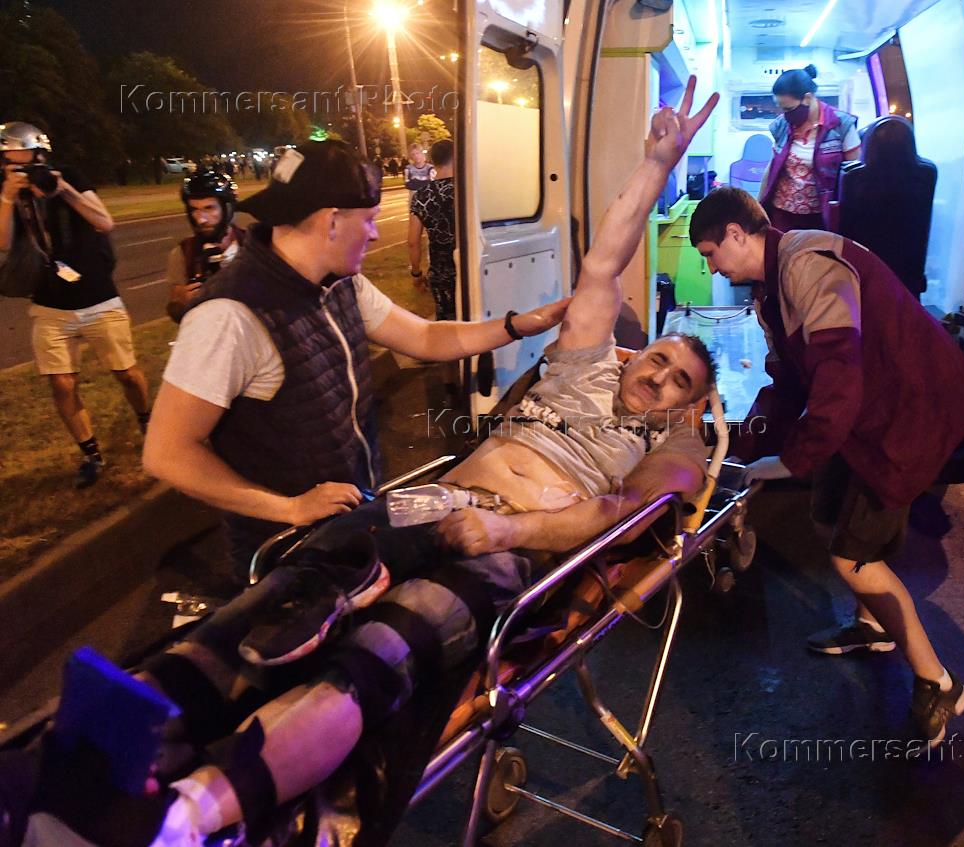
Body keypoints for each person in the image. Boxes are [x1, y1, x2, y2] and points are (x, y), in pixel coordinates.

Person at [15, 78, 721, 847]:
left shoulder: (662, 443)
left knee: (374, 657)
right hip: (430, 505)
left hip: (505, 546)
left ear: (686, 405)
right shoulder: (584, 362)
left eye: (679, 381)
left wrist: (507, 532)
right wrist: (656, 164)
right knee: (275, 604)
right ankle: (67, 762)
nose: (658, 375)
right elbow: (605, 259)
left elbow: (621, 515)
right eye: (657, 357)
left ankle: (183, 818)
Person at [142, 138, 571, 573]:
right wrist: (290, 508)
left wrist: (520, 325)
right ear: (331, 221)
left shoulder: (338, 282)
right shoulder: (229, 315)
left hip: (346, 526)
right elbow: (167, 453)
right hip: (287, 552)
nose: (375, 233)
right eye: (369, 220)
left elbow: (425, 337)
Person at [689, 186, 964, 746]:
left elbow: (837, 374)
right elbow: (788, 384)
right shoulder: (772, 288)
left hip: (908, 412)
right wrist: (745, 448)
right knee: (828, 511)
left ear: (735, 233)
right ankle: (873, 626)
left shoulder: (807, 264)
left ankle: (939, 683)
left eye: (710, 253)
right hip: (868, 414)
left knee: (852, 557)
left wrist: (792, 460)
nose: (710, 266)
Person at [0, 121, 151, 489]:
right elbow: (2, 244)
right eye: (9, 162)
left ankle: (147, 420)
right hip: (49, 302)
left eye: (25, 161)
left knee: (126, 373)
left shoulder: (68, 176)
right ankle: (90, 453)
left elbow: (104, 222)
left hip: (98, 296)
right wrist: (7, 197)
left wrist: (62, 190)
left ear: (42, 156)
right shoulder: (6, 190)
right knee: (62, 385)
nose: (19, 169)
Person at [758, 65, 860, 232]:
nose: (785, 114)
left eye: (789, 109)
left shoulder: (841, 125)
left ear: (807, 98)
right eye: (782, 109)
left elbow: (853, 177)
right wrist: (759, 206)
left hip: (821, 216)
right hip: (782, 213)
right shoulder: (782, 125)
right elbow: (772, 168)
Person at [165, 170, 245, 323]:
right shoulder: (184, 253)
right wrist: (183, 301)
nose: (201, 219)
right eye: (195, 210)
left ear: (227, 208)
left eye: (209, 208)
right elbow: (175, 308)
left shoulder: (252, 245)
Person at [407, 139, 456, 322]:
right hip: (471, 265)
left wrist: (416, 273)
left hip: (441, 272)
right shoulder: (469, 190)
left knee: (447, 323)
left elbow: (413, 241)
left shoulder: (422, 196)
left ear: (433, 161)